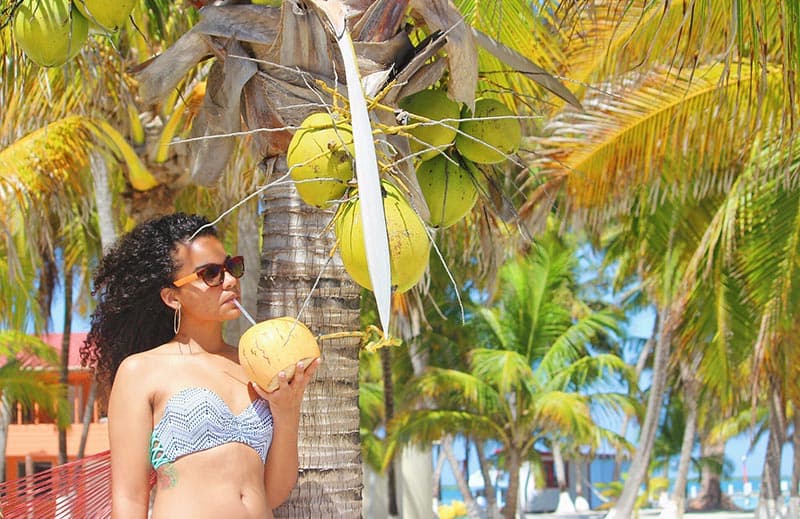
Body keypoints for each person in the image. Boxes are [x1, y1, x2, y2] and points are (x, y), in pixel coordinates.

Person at [80, 212, 320, 519]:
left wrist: (287, 412)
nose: (231, 281)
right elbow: (129, 497)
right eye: (211, 274)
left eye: (231, 267)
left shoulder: (253, 367)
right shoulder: (141, 371)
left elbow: (273, 492)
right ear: (172, 297)